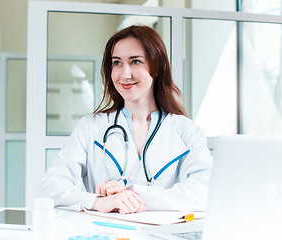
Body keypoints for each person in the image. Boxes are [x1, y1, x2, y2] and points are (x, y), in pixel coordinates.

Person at [37, 25, 212, 214]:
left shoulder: (186, 131)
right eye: (117, 63)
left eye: (135, 62)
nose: (124, 74)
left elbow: (204, 193)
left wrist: (131, 195)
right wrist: (97, 201)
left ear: (157, 67)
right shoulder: (91, 127)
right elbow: (50, 189)